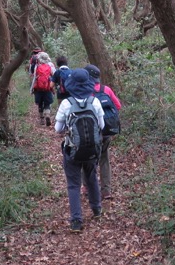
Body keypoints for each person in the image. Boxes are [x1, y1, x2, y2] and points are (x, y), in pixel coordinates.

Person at [54, 68, 104, 232]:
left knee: (73, 185)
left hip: (72, 149)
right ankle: (96, 209)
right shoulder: (94, 101)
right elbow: (101, 126)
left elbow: (57, 129)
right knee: (91, 178)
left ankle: (76, 221)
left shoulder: (66, 103)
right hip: (91, 149)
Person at [84, 64, 121, 200]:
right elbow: (118, 106)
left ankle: (88, 188)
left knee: (87, 160)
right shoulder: (107, 89)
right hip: (106, 130)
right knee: (104, 159)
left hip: (89, 132)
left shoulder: (84, 91)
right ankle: (106, 191)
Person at [30, 51, 56, 126]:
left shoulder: (37, 66)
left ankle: (41, 118)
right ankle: (47, 115)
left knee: (40, 103)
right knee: (47, 103)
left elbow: (35, 78)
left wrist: (31, 89)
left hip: (38, 88)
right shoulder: (50, 65)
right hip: (48, 88)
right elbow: (54, 76)